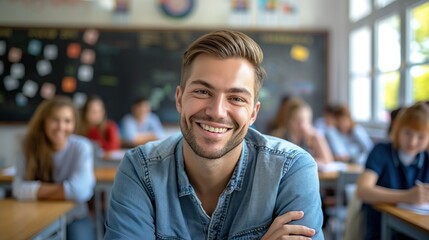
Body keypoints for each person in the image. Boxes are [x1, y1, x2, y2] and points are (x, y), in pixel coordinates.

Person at [105, 30, 324, 239]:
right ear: (179, 99)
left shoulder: (291, 169)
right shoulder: (140, 169)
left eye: (236, 98)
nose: (217, 112)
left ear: (253, 114)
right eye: (202, 92)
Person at [12, 95, 96, 240]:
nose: (61, 127)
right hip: (35, 217)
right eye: (55, 120)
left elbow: (80, 191)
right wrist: (66, 189)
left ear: (74, 124)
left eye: (67, 121)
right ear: (43, 122)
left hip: (74, 217)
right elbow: (18, 189)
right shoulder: (29, 146)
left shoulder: (82, 147)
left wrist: (34, 190)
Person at [356, 101, 429, 240]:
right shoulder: (381, 152)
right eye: (408, 133)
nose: (413, 141)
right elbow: (363, 190)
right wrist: (407, 196)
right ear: (397, 129)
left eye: (421, 137)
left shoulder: (426, 158)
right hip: (380, 229)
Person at [268, 97, 333, 164]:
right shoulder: (279, 137)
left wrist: (318, 137)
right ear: (289, 121)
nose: (302, 125)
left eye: (305, 121)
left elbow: (327, 161)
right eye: (297, 121)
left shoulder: (312, 137)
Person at [78, 95, 121, 159]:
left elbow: (114, 147)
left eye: (100, 111)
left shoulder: (110, 127)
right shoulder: (79, 129)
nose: (97, 115)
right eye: (93, 111)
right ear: (85, 113)